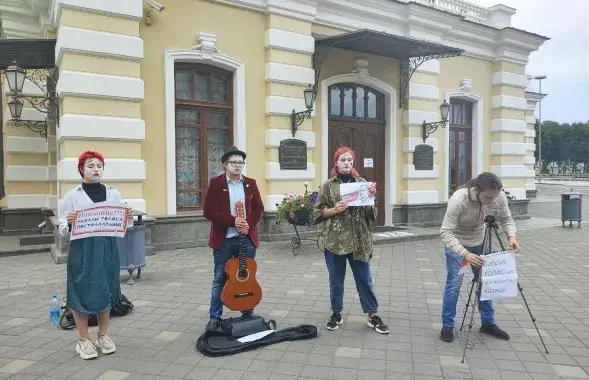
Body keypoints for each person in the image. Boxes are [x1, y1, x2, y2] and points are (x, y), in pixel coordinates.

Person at [58, 151, 133, 360]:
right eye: (90, 165)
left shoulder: (112, 193)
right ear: (82, 169)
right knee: (80, 290)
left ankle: (103, 335)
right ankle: (84, 339)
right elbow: (63, 228)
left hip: (107, 247)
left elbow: (123, 224)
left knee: (107, 290)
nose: (96, 169)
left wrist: (127, 216)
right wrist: (70, 221)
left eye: (99, 165)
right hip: (82, 249)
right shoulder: (72, 196)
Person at [312, 146, 389, 334]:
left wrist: (372, 197)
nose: (347, 163)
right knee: (336, 280)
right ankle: (336, 313)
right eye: (343, 160)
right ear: (336, 164)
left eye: (349, 160)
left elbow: (372, 215)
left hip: (359, 240)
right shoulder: (328, 186)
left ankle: (372, 315)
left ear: (352, 162)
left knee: (364, 279)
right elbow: (315, 214)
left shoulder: (362, 183)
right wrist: (333, 210)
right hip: (336, 241)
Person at [439, 172, 520, 343]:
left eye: (495, 196)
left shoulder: (498, 196)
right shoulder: (459, 200)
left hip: (480, 241)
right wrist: (465, 254)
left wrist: (511, 236)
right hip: (457, 243)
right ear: (477, 190)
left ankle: (488, 323)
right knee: (454, 284)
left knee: (485, 281)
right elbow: (445, 232)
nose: (492, 200)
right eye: (488, 197)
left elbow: (506, 218)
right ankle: (447, 325)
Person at [203, 145, 264, 331]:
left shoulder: (250, 183)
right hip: (225, 240)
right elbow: (209, 211)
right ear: (225, 165)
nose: (237, 166)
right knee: (220, 277)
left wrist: (248, 223)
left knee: (246, 275)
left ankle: (247, 311)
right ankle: (215, 316)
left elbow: (258, 208)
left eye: (240, 162)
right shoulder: (216, 183)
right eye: (233, 162)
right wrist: (232, 221)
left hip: (246, 238)